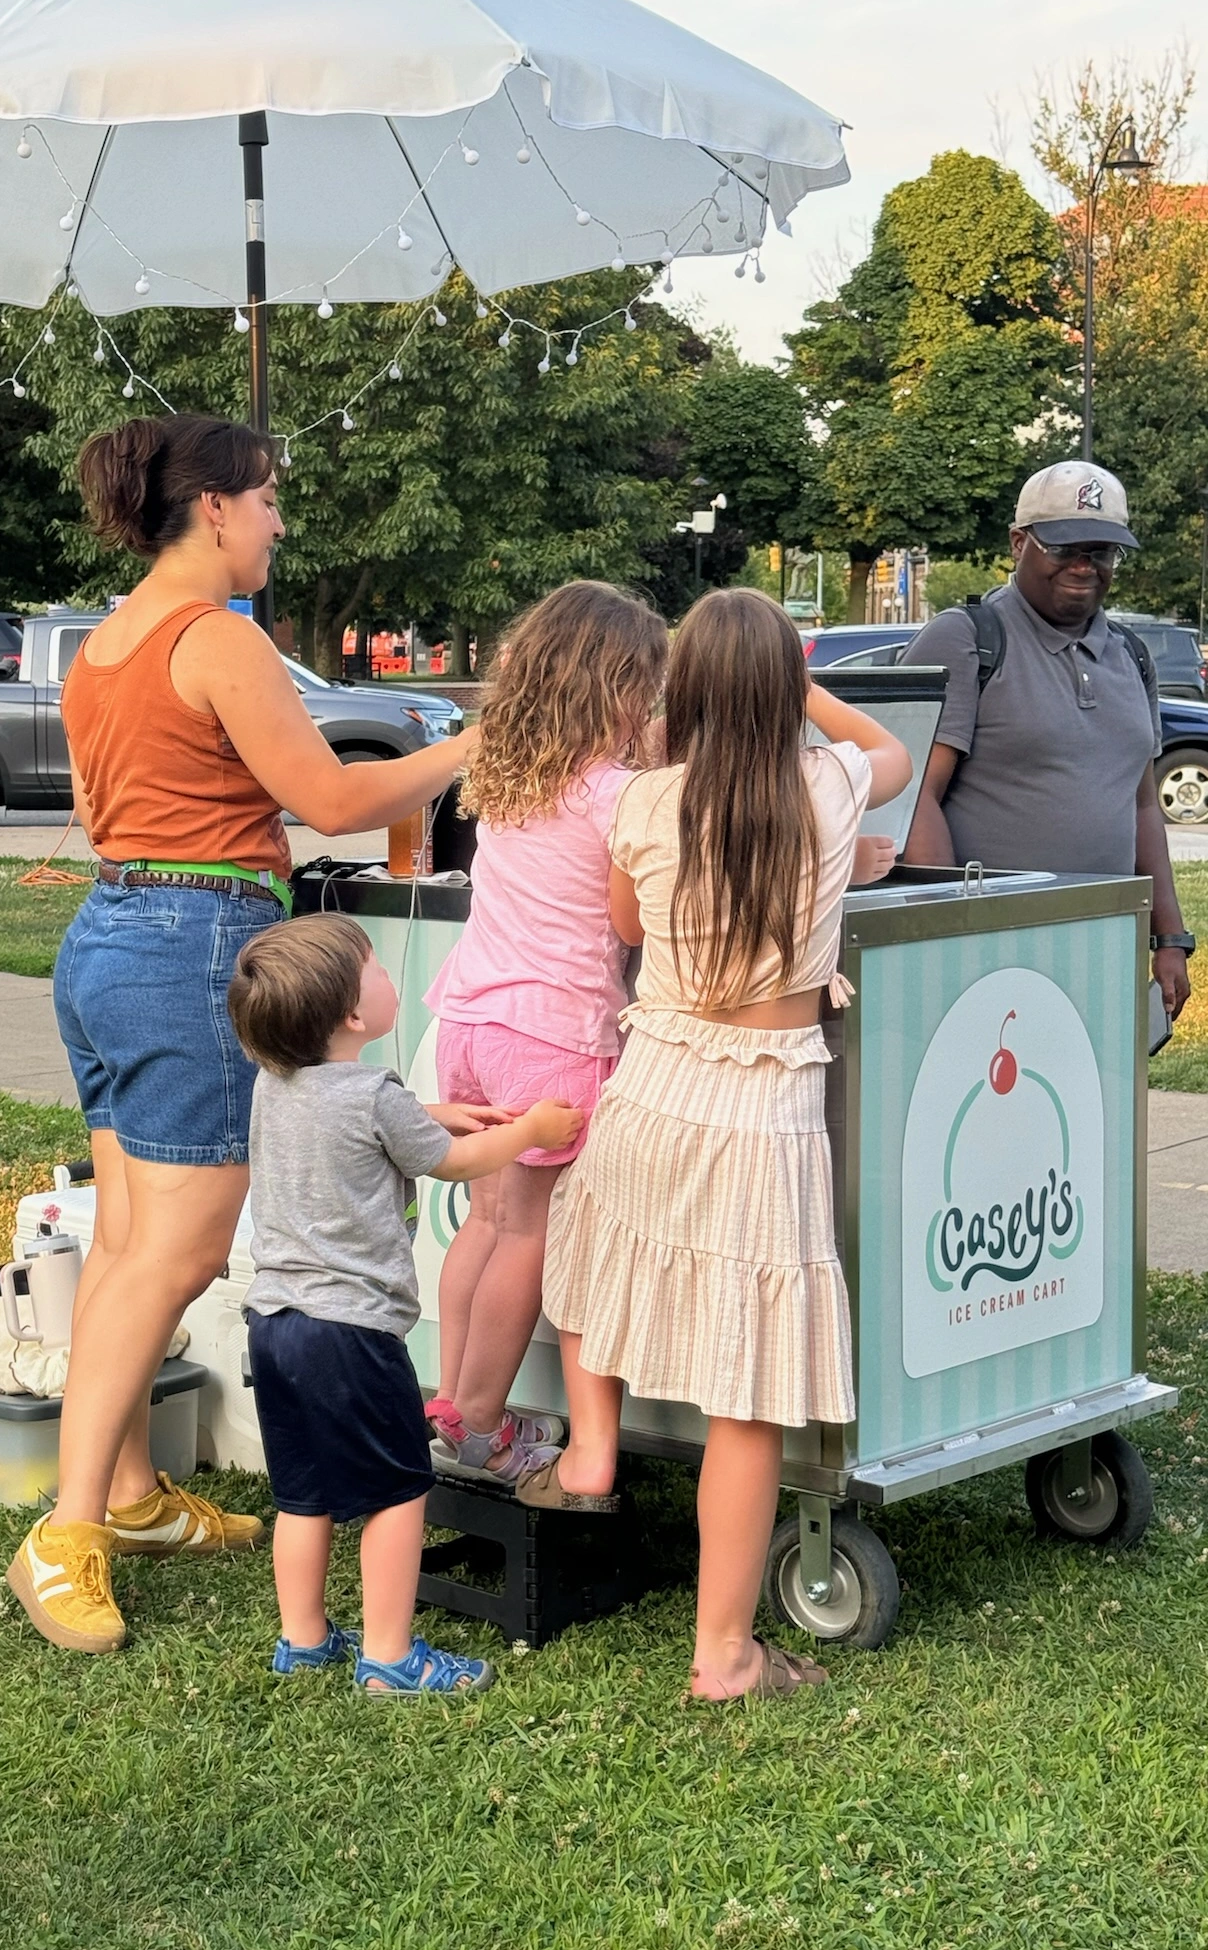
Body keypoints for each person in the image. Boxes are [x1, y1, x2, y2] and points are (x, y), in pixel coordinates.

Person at [6, 413, 477, 1655]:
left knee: (124, 1246)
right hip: (198, 941)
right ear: (213, 507)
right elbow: (327, 796)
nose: (278, 523)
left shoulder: (108, 636)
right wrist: (468, 746)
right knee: (179, 1256)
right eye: (268, 501)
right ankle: (66, 1533)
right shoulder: (218, 637)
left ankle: (125, 1496)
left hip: (110, 938)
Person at [534, 588, 912, 1703]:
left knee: (593, 1257)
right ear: (784, 689)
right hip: (766, 1107)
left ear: (684, 687)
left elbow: (626, 926)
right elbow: (884, 746)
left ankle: (591, 1449)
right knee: (745, 1392)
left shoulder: (648, 798)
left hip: (658, 1077)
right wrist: (809, 694)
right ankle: (724, 1651)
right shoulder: (831, 785)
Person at [227, 914, 583, 1694]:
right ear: (355, 1016)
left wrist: (429, 1113)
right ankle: (390, 1658)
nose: (392, 980)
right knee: (398, 1493)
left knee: (303, 1495)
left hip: (276, 1325)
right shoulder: (374, 1092)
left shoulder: (273, 1085)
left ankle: (304, 1638)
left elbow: (361, 1126)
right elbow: (454, 1163)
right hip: (352, 1334)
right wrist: (529, 1127)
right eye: (377, 970)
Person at [421, 581, 669, 1485]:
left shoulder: (507, 776)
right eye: (643, 686)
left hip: (472, 1020)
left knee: (482, 1221)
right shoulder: (617, 793)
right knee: (529, 1231)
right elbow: (633, 919)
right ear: (613, 689)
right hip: (553, 1033)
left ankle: (449, 1399)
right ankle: (483, 1426)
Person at [904, 460, 1192, 1021]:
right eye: (1065, 548)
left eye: (1101, 552)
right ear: (1019, 542)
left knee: (1092, 1105)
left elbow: (1140, 807)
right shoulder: (966, 640)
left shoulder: (1132, 655)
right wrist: (952, 936)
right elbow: (913, 796)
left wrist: (1170, 936)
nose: (1084, 566)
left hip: (1102, 946)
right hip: (990, 954)